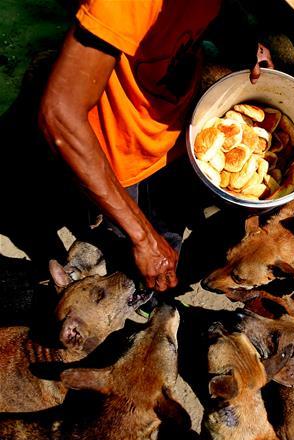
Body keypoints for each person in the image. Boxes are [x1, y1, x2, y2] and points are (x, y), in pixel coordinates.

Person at [39, 0, 273, 292]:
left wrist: (245, 44)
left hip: (173, 132)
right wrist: (142, 238)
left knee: (168, 234)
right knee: (128, 247)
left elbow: (212, 14)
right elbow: (60, 115)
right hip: (114, 155)